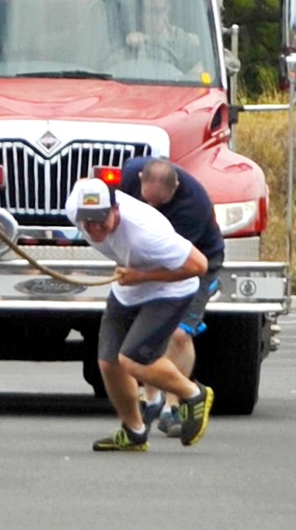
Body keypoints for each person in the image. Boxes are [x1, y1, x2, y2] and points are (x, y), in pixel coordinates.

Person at [65, 176, 214, 452]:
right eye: (88, 221)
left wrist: (141, 275)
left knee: (134, 359)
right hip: (128, 287)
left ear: (116, 210)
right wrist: (133, 277)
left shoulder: (146, 233)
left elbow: (199, 265)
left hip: (171, 289)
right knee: (109, 363)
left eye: (102, 219)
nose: (95, 228)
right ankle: (134, 431)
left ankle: (194, 394)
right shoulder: (75, 210)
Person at [120, 156, 225, 437]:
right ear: (139, 179)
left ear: (175, 187)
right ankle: (151, 399)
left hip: (194, 262)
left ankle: (173, 404)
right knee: (150, 330)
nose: (152, 209)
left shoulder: (194, 206)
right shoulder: (128, 175)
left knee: (178, 334)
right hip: (147, 260)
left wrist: (139, 277)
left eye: (160, 204)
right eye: (147, 202)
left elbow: (179, 265)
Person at [124, 0, 202, 77]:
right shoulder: (127, 36)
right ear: (141, 12)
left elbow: (200, 66)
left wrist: (189, 76)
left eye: (158, 11)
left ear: (167, 10)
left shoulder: (180, 38)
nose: (153, 17)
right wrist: (129, 47)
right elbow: (111, 66)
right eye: (149, 11)